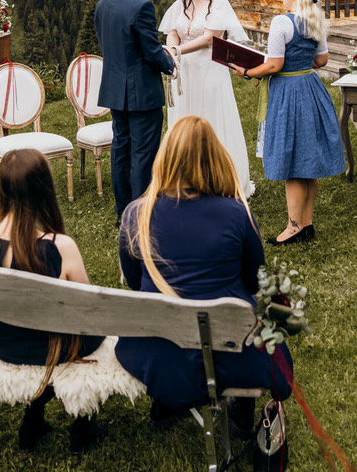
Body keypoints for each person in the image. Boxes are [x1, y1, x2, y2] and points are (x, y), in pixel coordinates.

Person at [115, 116, 292, 427]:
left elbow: (135, 283)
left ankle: (168, 398)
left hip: (158, 353)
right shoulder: (237, 214)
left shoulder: (136, 215)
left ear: (165, 156)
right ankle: (240, 403)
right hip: (231, 351)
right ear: (215, 157)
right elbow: (255, 282)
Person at [0, 148, 106, 452]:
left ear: (1, 190)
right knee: (94, 332)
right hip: (60, 348)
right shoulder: (60, 247)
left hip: (8, 344)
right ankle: (83, 425)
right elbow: (88, 306)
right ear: (45, 190)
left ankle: (34, 418)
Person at [229, 0, 345, 245]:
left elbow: (274, 64)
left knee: (293, 161)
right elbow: (322, 60)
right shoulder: (315, 19)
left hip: (289, 94)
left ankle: (294, 227)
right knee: (309, 158)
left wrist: (246, 72)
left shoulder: (282, 23)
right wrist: (301, 60)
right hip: (311, 89)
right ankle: (307, 223)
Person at [159, 0, 253, 197]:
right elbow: (172, 31)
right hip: (183, 71)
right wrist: (172, 48)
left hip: (209, 69)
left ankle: (219, 178)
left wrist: (178, 50)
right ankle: (187, 176)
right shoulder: (181, 3)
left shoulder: (219, 4)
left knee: (210, 118)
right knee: (184, 118)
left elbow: (210, 37)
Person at [95, 0, 176, 220]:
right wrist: (171, 63)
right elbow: (152, 52)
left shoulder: (103, 4)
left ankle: (122, 212)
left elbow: (110, 46)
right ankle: (140, 215)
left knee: (121, 151)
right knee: (143, 155)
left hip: (115, 91)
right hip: (142, 93)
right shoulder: (142, 7)